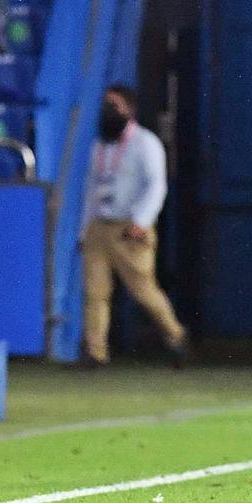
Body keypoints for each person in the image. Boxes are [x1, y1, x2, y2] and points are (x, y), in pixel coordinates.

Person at [79, 85, 188, 368]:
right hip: (100, 226)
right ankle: (96, 352)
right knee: (95, 293)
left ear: (129, 109)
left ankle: (175, 336)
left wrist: (142, 221)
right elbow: (91, 189)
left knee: (143, 291)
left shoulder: (146, 143)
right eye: (105, 105)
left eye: (114, 105)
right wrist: (84, 228)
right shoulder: (99, 145)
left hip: (129, 229)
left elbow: (156, 185)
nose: (108, 111)